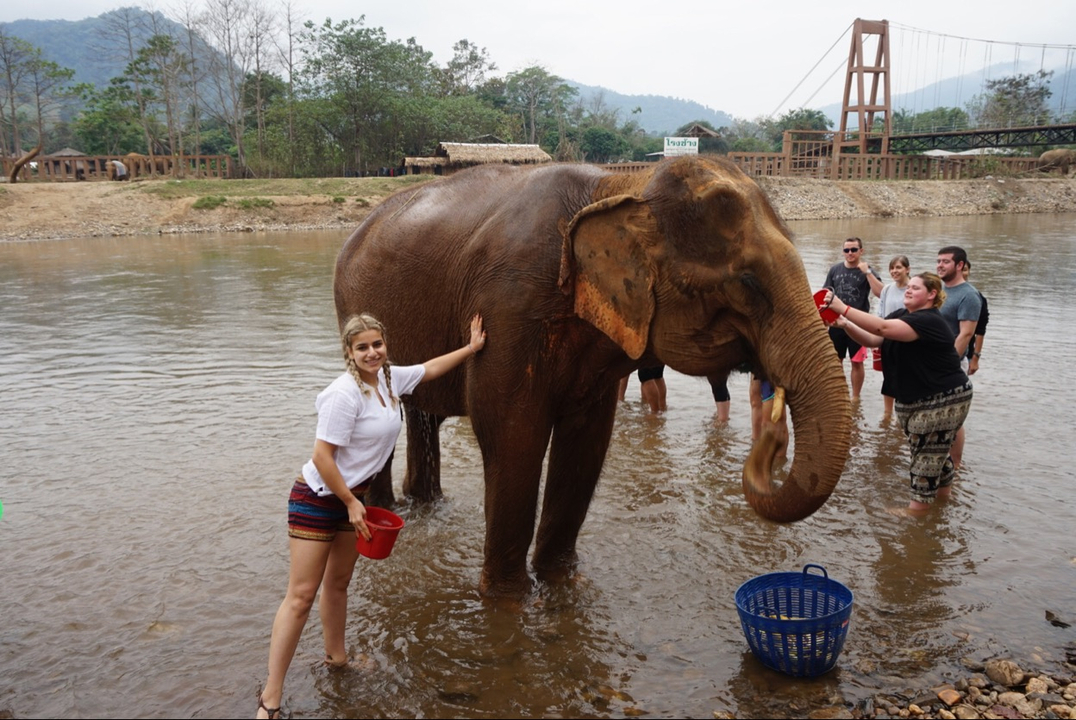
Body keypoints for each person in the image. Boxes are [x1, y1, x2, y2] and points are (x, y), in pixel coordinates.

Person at [256, 313, 487, 720]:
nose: (371, 352)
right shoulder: (342, 395)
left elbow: (429, 369)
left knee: (339, 583)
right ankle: (270, 698)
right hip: (319, 497)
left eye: (377, 344)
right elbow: (321, 457)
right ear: (349, 352)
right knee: (301, 596)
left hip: (353, 500)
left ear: (385, 345)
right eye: (362, 347)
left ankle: (337, 658)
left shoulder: (389, 380)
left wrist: (471, 348)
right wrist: (349, 501)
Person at [822, 274, 972, 516]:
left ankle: (918, 512)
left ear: (932, 294)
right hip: (922, 397)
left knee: (926, 453)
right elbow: (874, 339)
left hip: (942, 397)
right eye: (908, 287)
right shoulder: (901, 316)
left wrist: (844, 307)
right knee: (934, 450)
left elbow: (880, 327)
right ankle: (944, 501)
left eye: (915, 288)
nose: (908, 291)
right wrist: (846, 324)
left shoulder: (930, 320)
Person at [936, 246, 982, 470]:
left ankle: (956, 463)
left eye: (945, 262)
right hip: (933, 361)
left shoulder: (969, 295)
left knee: (952, 416)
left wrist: (949, 363)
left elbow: (966, 333)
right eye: (938, 261)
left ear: (960, 265)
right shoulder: (940, 290)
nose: (940, 265)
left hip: (952, 363)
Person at [822, 237, 883, 399]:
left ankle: (855, 398)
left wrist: (868, 273)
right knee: (836, 361)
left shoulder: (868, 270)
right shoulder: (835, 270)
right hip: (836, 322)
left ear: (861, 251)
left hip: (858, 324)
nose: (850, 253)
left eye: (854, 250)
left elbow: (881, 294)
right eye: (846, 250)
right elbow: (825, 294)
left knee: (857, 361)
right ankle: (838, 395)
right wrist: (823, 320)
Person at [877, 255, 911, 416]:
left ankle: (903, 411)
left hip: (907, 338)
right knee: (888, 376)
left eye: (898, 267)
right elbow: (880, 312)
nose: (894, 271)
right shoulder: (887, 289)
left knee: (906, 376)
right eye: (892, 268)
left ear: (907, 269)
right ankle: (887, 414)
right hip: (888, 337)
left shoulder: (913, 289)